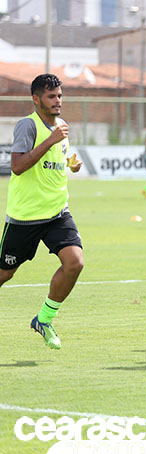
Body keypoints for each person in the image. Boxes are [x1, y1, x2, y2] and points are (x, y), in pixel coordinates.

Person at [0, 73, 84, 350]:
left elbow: (55, 161)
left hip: (57, 213)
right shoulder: (28, 125)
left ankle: (44, 319)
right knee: (5, 274)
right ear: (36, 99)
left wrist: (72, 164)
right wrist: (50, 141)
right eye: (51, 96)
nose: (57, 101)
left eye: (59, 95)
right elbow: (18, 166)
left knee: (75, 263)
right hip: (25, 217)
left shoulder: (62, 126)